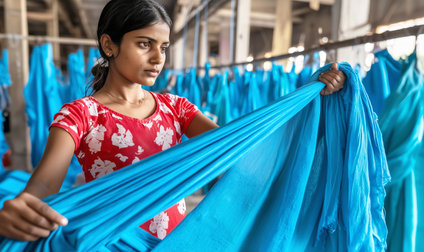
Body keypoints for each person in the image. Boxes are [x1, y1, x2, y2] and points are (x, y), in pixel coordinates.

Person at [0, 0, 346, 242]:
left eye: (163, 47)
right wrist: (16, 212)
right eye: (144, 44)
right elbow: (43, 188)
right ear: (109, 45)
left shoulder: (175, 108)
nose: (157, 58)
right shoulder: (81, 115)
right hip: (112, 241)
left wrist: (308, 100)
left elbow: (234, 152)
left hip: (178, 240)